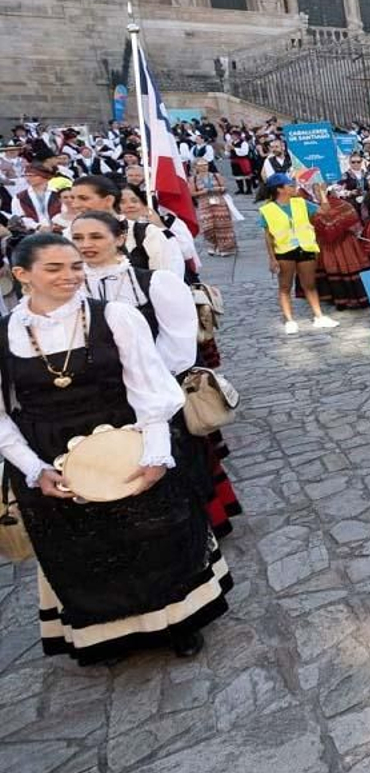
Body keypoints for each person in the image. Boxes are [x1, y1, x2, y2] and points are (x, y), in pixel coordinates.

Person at [0, 234, 230, 663]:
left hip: (127, 438)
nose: (69, 276)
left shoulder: (116, 316)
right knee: (82, 550)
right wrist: (32, 468)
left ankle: (177, 621)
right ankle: (107, 635)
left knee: (154, 537)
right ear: (21, 274)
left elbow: (150, 388)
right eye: (54, 268)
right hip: (48, 451)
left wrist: (156, 453)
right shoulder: (5, 334)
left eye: (74, 266)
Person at [71, 211, 243, 538]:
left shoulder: (154, 282)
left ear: (119, 238)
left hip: (159, 394)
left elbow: (179, 346)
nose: (86, 245)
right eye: (78, 238)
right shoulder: (71, 291)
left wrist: (139, 381)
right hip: (104, 399)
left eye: (96, 237)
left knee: (179, 467)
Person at [260, 174, 338, 334]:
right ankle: (289, 320)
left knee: (310, 285)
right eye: (290, 186)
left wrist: (322, 192)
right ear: (280, 189)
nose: (294, 188)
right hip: (284, 251)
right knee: (285, 287)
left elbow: (325, 211)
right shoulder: (267, 210)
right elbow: (268, 236)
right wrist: (272, 258)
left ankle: (319, 316)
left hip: (306, 248)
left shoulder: (301, 202)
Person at [312, 182, 370, 310]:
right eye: (315, 191)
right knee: (335, 270)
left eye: (319, 190)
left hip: (345, 243)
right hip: (329, 246)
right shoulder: (315, 207)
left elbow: (351, 219)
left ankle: (358, 299)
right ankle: (341, 300)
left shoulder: (341, 204)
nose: (317, 194)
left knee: (348, 268)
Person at [189, 159, 236, 256]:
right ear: (196, 167)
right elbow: (192, 193)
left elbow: (224, 188)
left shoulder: (216, 176)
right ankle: (213, 245)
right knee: (208, 227)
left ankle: (225, 248)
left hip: (219, 202)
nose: (203, 167)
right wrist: (204, 191)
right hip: (204, 203)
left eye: (205, 165)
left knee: (222, 225)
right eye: (201, 165)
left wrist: (219, 189)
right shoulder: (193, 179)